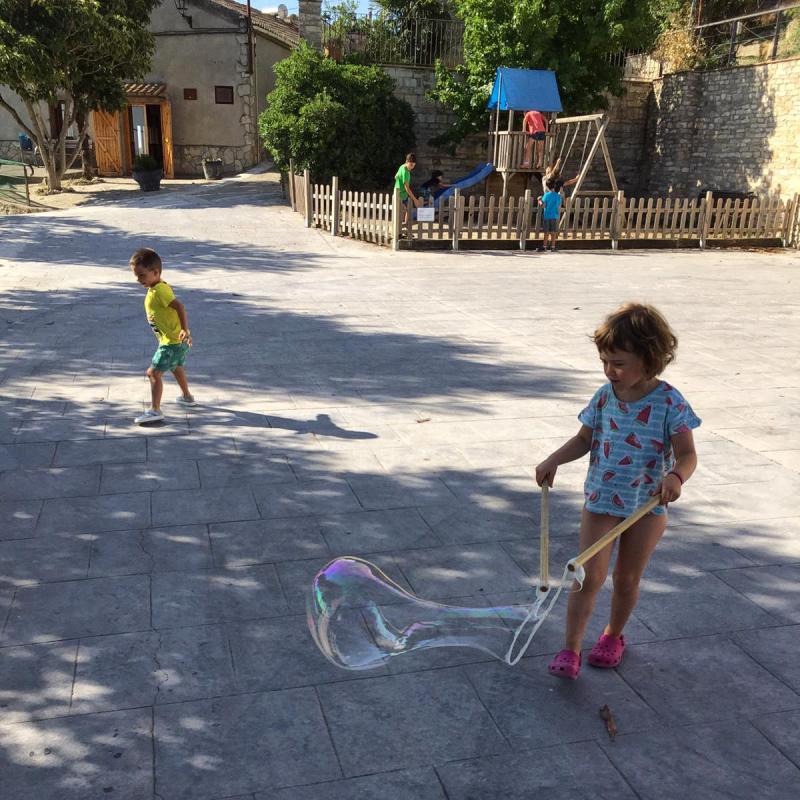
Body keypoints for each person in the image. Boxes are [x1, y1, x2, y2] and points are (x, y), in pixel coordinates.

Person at [535, 303, 700, 680]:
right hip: (602, 500)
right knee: (587, 577)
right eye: (605, 362)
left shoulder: (670, 402)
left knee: (626, 579)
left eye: (619, 363)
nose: (610, 371)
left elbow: (688, 454)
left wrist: (676, 477)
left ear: (649, 358)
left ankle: (612, 636)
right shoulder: (604, 397)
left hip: (646, 507)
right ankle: (571, 647)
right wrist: (554, 459)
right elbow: (584, 438)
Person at [130, 247, 196, 425]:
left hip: (172, 343)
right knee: (175, 367)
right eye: (136, 276)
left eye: (142, 275)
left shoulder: (160, 290)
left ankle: (155, 410)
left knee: (153, 373)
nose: (138, 280)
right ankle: (187, 397)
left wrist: (185, 330)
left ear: (155, 272)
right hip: (175, 341)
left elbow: (179, 306)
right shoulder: (157, 287)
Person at [394, 153, 421, 221]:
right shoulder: (406, 172)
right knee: (403, 212)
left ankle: (405, 227)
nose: (412, 167)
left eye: (413, 165)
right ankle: (403, 227)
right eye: (411, 165)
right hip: (400, 195)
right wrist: (415, 200)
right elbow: (407, 188)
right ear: (407, 161)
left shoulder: (402, 166)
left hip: (402, 195)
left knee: (408, 210)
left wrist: (398, 179)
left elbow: (396, 176)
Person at [538, 178, 562, 252]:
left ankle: (544, 246)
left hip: (547, 216)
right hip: (554, 216)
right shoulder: (558, 196)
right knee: (553, 232)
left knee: (546, 233)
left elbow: (543, 205)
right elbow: (558, 206)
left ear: (547, 187)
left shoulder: (546, 195)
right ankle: (553, 247)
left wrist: (539, 200)